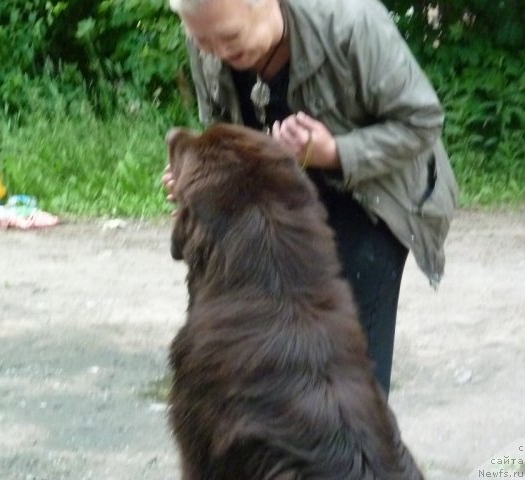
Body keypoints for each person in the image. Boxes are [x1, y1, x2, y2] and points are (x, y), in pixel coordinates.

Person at [162, 0, 458, 397]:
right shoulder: (210, 30)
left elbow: (421, 122)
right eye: (202, 41)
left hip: (372, 198)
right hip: (280, 202)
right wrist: (199, 180)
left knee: (346, 366)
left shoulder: (352, 23)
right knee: (267, 349)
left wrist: (331, 152)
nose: (217, 52)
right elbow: (222, 128)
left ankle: (360, 457)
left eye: (231, 38)